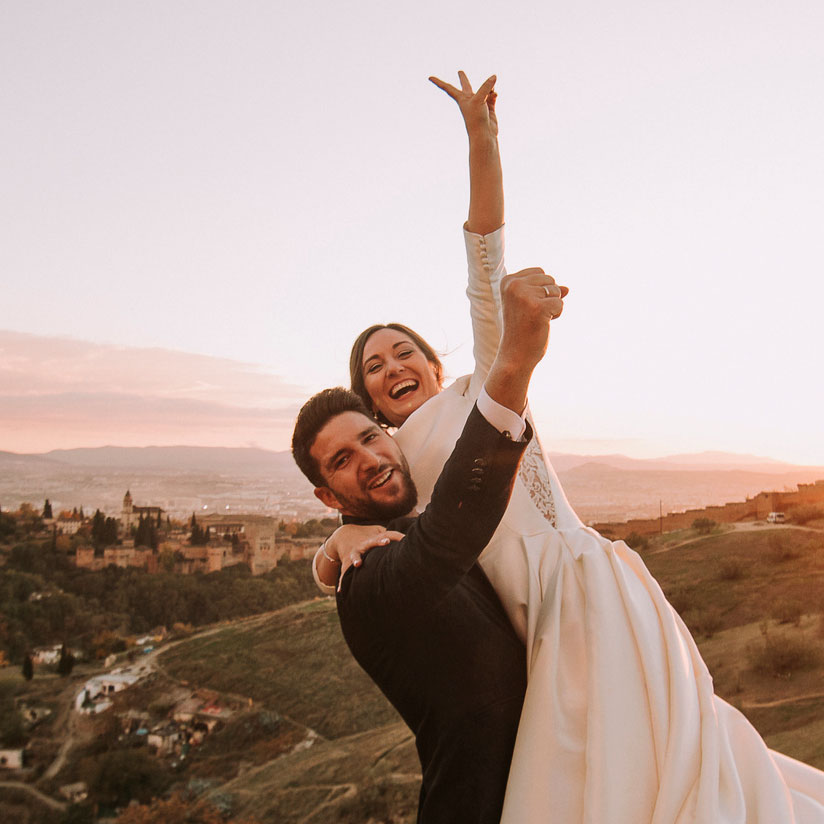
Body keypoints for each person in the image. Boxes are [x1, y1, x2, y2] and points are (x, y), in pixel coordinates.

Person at [315, 72, 824, 822]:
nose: (391, 368)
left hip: (582, 587)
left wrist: (481, 141)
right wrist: (332, 546)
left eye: (403, 353)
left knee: (653, 763)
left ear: (435, 364)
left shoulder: (482, 388)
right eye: (374, 367)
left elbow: (484, 256)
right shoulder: (395, 465)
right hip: (529, 625)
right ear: (369, 401)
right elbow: (403, 541)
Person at [291, 263, 565, 823]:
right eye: (343, 460)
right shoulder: (366, 579)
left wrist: (329, 545)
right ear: (325, 496)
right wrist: (512, 368)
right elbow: (449, 535)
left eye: (370, 439)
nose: (369, 459)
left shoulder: (396, 532)